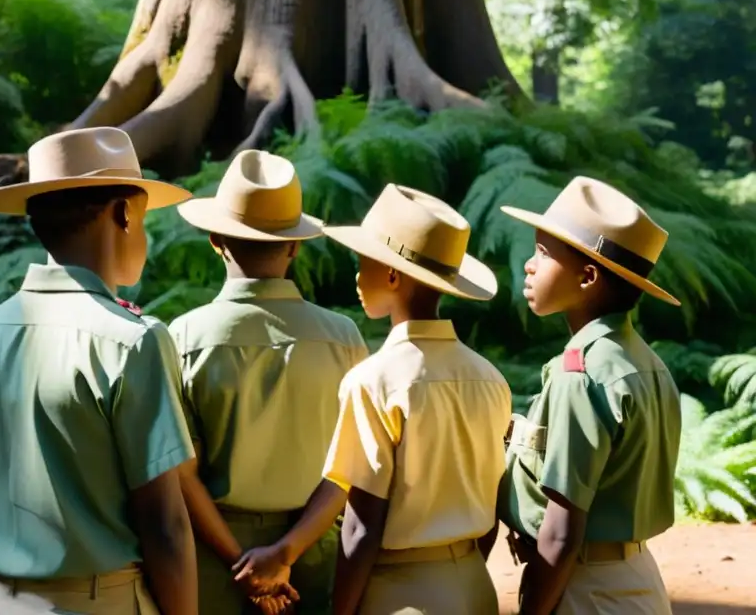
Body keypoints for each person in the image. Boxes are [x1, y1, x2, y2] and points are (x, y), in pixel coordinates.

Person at [0, 127, 199, 615]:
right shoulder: (133, 340)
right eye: (145, 215)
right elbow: (165, 525)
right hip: (98, 601)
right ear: (123, 214)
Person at [276, 184, 511, 614]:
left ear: (391, 275)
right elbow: (493, 505)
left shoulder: (373, 381)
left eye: (363, 262)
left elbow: (362, 526)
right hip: (476, 585)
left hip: (401, 593)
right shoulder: (491, 379)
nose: (356, 276)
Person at [168, 149, 369, 614]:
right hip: (314, 556)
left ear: (215, 240)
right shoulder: (345, 338)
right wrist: (285, 555)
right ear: (296, 245)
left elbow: (182, 473)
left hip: (215, 561)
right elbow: (349, 470)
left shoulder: (181, 337)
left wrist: (242, 562)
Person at [495, 176, 682, 615]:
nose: (529, 265)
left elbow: (560, 533)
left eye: (543, 253)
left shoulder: (579, 374)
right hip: (637, 580)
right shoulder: (648, 365)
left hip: (585, 588)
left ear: (587, 276)